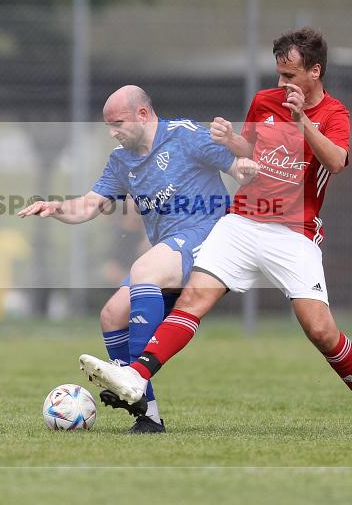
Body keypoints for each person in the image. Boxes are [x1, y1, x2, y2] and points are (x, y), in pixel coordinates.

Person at [79, 28, 352, 436]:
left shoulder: (335, 113)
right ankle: (137, 377)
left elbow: (335, 162)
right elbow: (251, 154)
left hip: (294, 231)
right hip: (244, 221)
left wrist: (303, 122)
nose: (281, 85)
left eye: (291, 76)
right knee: (193, 299)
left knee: (319, 329)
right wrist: (232, 140)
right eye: (279, 74)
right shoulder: (265, 101)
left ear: (315, 72)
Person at [18, 85, 257, 433]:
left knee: (143, 266)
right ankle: (148, 416)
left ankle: (134, 376)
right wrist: (56, 208)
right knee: (112, 314)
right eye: (108, 126)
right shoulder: (120, 159)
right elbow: (89, 204)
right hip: (170, 249)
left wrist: (245, 167)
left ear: (142, 115)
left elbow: (237, 167)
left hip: (209, 235)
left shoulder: (185, 135)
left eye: (118, 123)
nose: (113, 132)